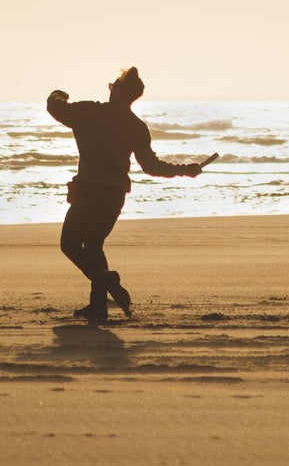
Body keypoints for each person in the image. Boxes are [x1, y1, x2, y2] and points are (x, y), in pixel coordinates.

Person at [47, 67, 205, 321]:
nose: (109, 90)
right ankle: (98, 306)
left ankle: (107, 280)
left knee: (70, 244)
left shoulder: (89, 112)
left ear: (118, 91)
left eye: (112, 86)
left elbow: (54, 107)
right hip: (114, 197)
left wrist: (58, 94)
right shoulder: (136, 126)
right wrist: (185, 170)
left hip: (89, 193)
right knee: (94, 246)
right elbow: (152, 167)